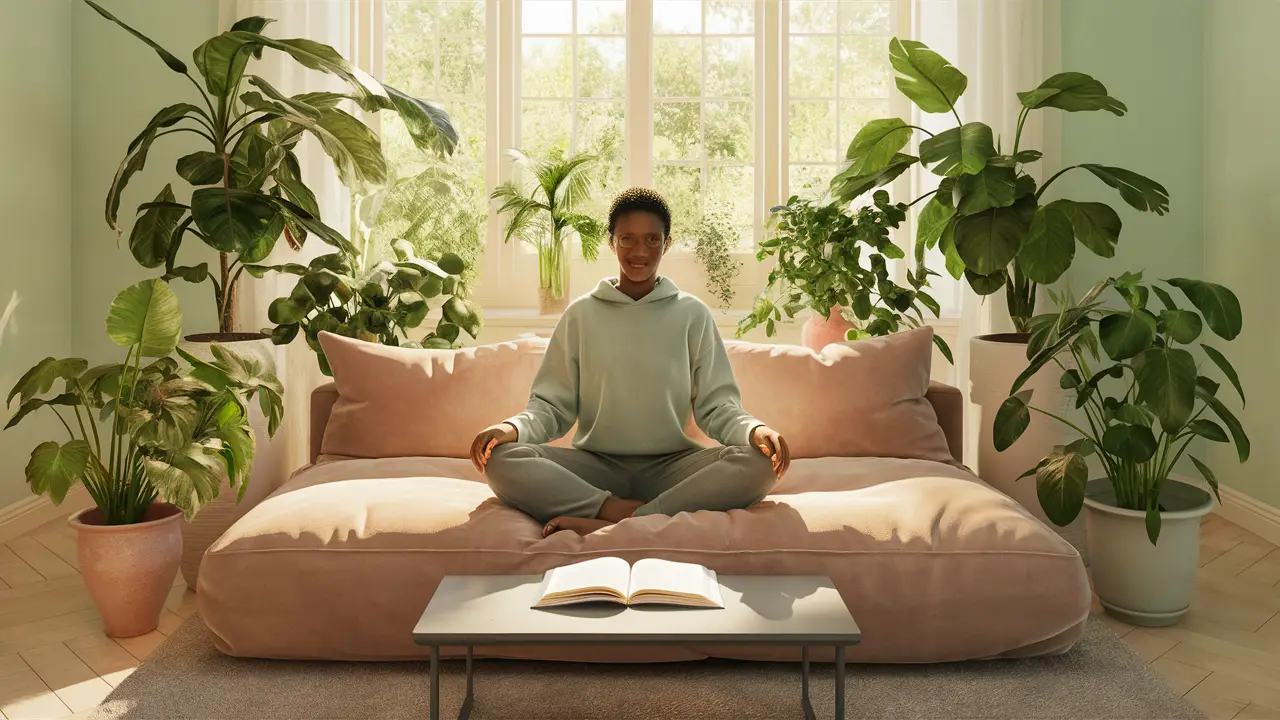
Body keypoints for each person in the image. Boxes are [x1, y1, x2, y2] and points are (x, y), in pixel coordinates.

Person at [470, 188, 790, 538]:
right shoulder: (581, 315)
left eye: (652, 239)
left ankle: (612, 519)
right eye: (627, 239)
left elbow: (717, 407)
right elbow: (551, 408)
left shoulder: (691, 314)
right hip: (595, 467)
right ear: (611, 242)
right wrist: (511, 428)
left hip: (673, 467)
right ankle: (624, 513)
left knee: (761, 463)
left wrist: (754, 430)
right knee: (501, 459)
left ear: (667, 244)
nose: (640, 252)